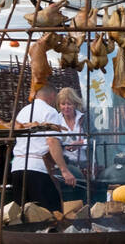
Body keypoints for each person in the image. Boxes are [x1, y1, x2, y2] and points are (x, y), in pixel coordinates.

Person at [8, 84, 75, 212]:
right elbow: (52, 141)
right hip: (38, 170)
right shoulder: (50, 112)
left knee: (23, 216)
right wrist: (64, 170)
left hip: (17, 169)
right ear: (52, 96)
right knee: (49, 214)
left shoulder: (23, 111)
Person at [56, 86, 87, 177]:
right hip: (65, 166)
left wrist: (81, 143)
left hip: (85, 165)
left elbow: (97, 139)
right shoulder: (56, 121)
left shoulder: (85, 119)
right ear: (59, 105)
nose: (66, 107)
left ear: (75, 104)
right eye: (63, 104)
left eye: (69, 104)